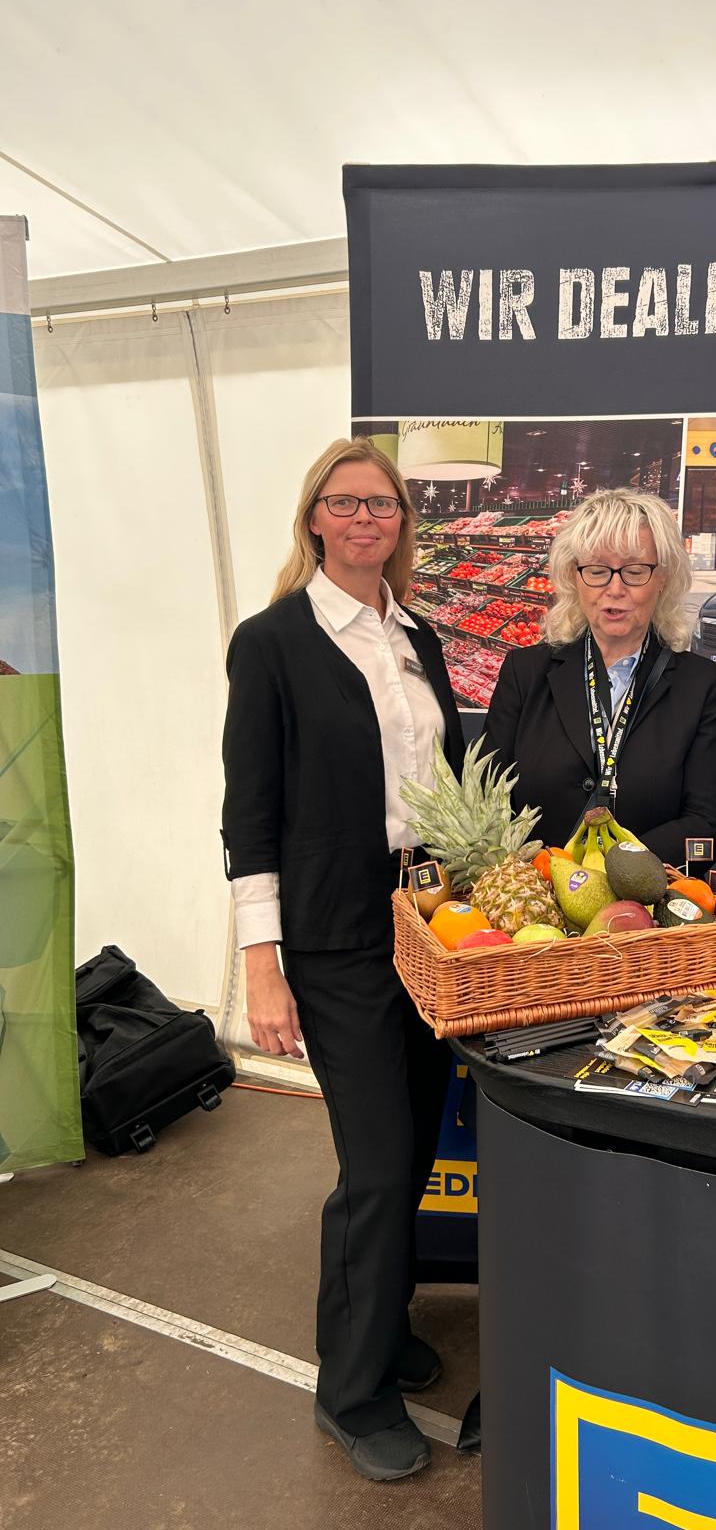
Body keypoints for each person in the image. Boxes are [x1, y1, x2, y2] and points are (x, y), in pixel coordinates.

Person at [221, 437, 465, 1483]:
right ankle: (350, 1392)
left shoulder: (418, 636)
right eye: (346, 501)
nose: (367, 518)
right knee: (374, 1163)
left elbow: (440, 779)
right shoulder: (273, 642)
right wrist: (260, 963)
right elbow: (249, 812)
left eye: (384, 504)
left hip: (426, 925)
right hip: (335, 935)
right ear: (315, 517)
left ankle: (374, 1324)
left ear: (403, 522)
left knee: (407, 1153)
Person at [480, 488, 716, 863]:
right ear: (574, 577)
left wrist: (616, 870)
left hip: (649, 895)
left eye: (635, 571)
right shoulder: (525, 672)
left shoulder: (703, 687)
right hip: (536, 890)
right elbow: (486, 797)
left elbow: (709, 821)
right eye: (597, 571)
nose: (615, 590)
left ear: (662, 578)